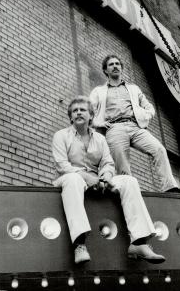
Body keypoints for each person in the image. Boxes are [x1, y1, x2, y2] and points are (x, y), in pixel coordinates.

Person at [52, 95, 165, 265]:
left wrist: (105, 176)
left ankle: (138, 243)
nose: (78, 113)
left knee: (129, 181)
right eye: (74, 111)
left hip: (96, 180)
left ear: (91, 115)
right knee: (74, 179)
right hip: (68, 179)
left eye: (82, 110)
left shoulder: (100, 139)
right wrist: (87, 177)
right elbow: (62, 165)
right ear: (70, 117)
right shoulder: (60, 136)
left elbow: (107, 163)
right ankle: (79, 245)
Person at [89, 55, 180, 193]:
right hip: (115, 128)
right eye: (111, 65)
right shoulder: (99, 91)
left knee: (159, 149)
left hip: (135, 127)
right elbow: (88, 109)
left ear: (121, 68)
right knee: (122, 164)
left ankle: (169, 186)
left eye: (117, 64)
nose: (115, 66)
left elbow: (149, 108)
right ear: (105, 71)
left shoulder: (133, 88)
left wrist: (143, 117)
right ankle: (128, 192)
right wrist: (98, 123)